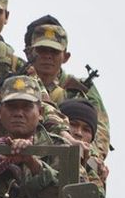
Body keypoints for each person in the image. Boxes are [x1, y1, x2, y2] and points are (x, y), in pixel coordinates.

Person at [24, 21, 111, 159]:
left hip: (68, 157)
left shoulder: (77, 89)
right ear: (30, 53)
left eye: (54, 51)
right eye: (42, 50)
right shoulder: (18, 81)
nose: (48, 56)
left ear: (66, 56)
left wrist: (94, 158)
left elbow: (100, 131)